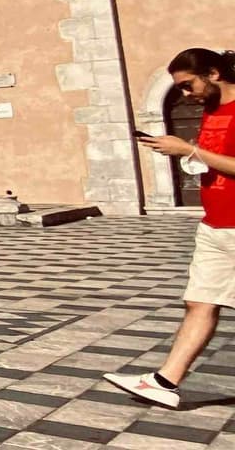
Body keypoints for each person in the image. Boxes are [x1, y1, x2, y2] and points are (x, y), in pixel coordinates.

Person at [109, 47, 235, 408]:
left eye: (187, 84)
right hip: (215, 225)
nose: (184, 94)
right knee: (199, 302)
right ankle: (164, 381)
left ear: (213, 73)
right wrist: (187, 152)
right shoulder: (211, 110)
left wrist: (189, 152)